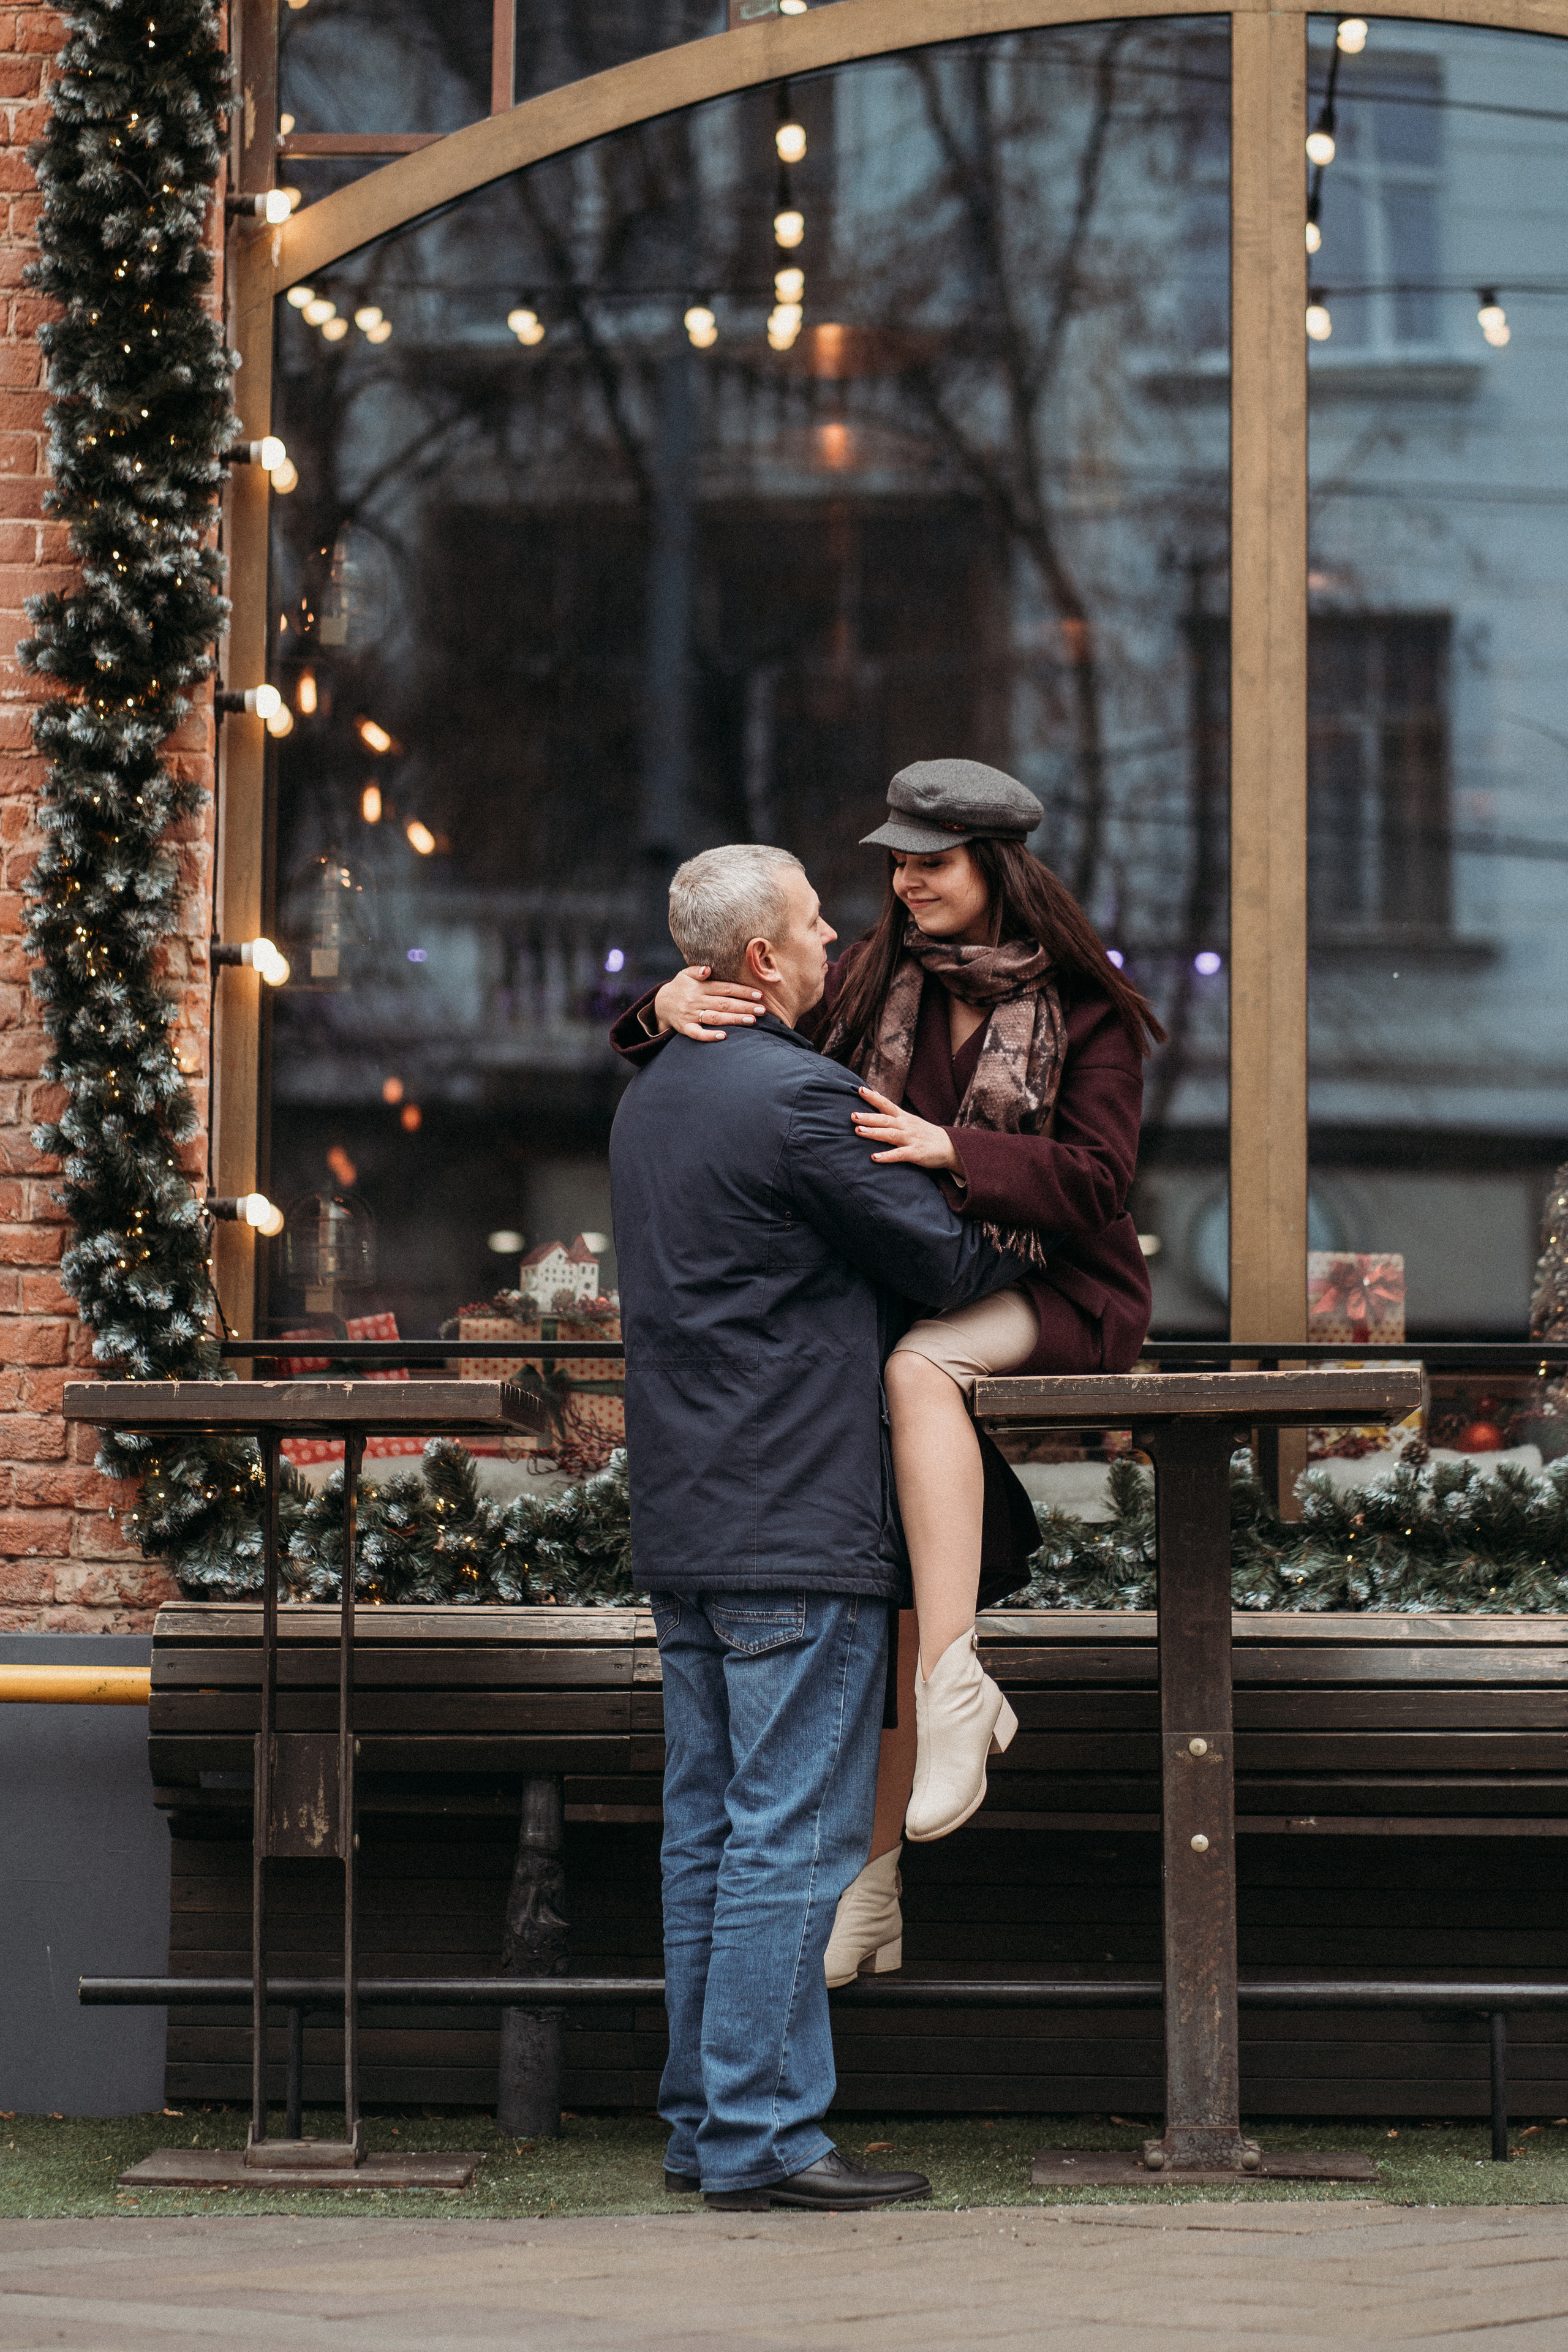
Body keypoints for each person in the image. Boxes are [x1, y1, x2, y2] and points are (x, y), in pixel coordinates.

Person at [613, 761, 1164, 1987]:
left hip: (1047, 1287)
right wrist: (666, 1005)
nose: (904, 881)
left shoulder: (1089, 1012)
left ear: (998, 869)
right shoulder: (869, 974)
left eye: (932, 860)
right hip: (916, 1280)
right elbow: (754, 1052)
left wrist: (949, 1148)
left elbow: (1094, 1184)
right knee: (885, 1555)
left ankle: (957, 1687)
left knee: (917, 1374)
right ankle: (873, 1869)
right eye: (896, 860)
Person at [609, 841, 1023, 2212]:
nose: (835, 931)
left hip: (690, 1521)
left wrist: (645, 1016)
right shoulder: (801, 1100)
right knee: (790, 1833)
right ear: (756, 964)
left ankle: (701, 2123)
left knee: (709, 1834)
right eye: (810, 918)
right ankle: (762, 2138)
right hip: (799, 1517)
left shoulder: (653, 1094)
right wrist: (1022, 1217)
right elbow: (945, 1260)